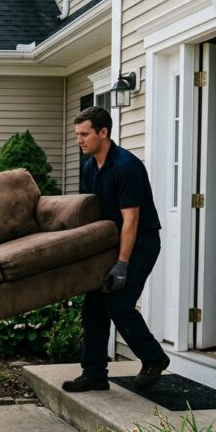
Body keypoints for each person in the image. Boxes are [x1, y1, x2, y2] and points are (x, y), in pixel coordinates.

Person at [63, 106, 170, 392]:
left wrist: (122, 264)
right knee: (94, 308)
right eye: (77, 135)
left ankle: (153, 358)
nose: (79, 140)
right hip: (112, 242)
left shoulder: (126, 166)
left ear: (103, 132)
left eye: (84, 134)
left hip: (141, 243)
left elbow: (131, 220)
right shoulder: (89, 167)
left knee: (119, 305)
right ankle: (94, 374)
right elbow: (95, 212)